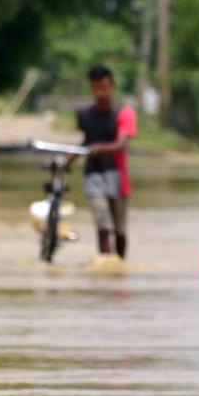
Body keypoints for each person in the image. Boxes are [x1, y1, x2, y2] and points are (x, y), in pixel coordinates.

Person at [75, 65, 138, 259]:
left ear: (112, 87)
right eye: (96, 86)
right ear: (91, 87)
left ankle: (119, 266)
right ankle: (106, 266)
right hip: (93, 175)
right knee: (102, 225)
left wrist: (100, 148)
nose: (100, 91)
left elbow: (121, 144)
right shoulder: (85, 115)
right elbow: (85, 142)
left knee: (119, 229)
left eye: (104, 86)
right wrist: (67, 159)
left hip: (118, 177)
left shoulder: (124, 114)